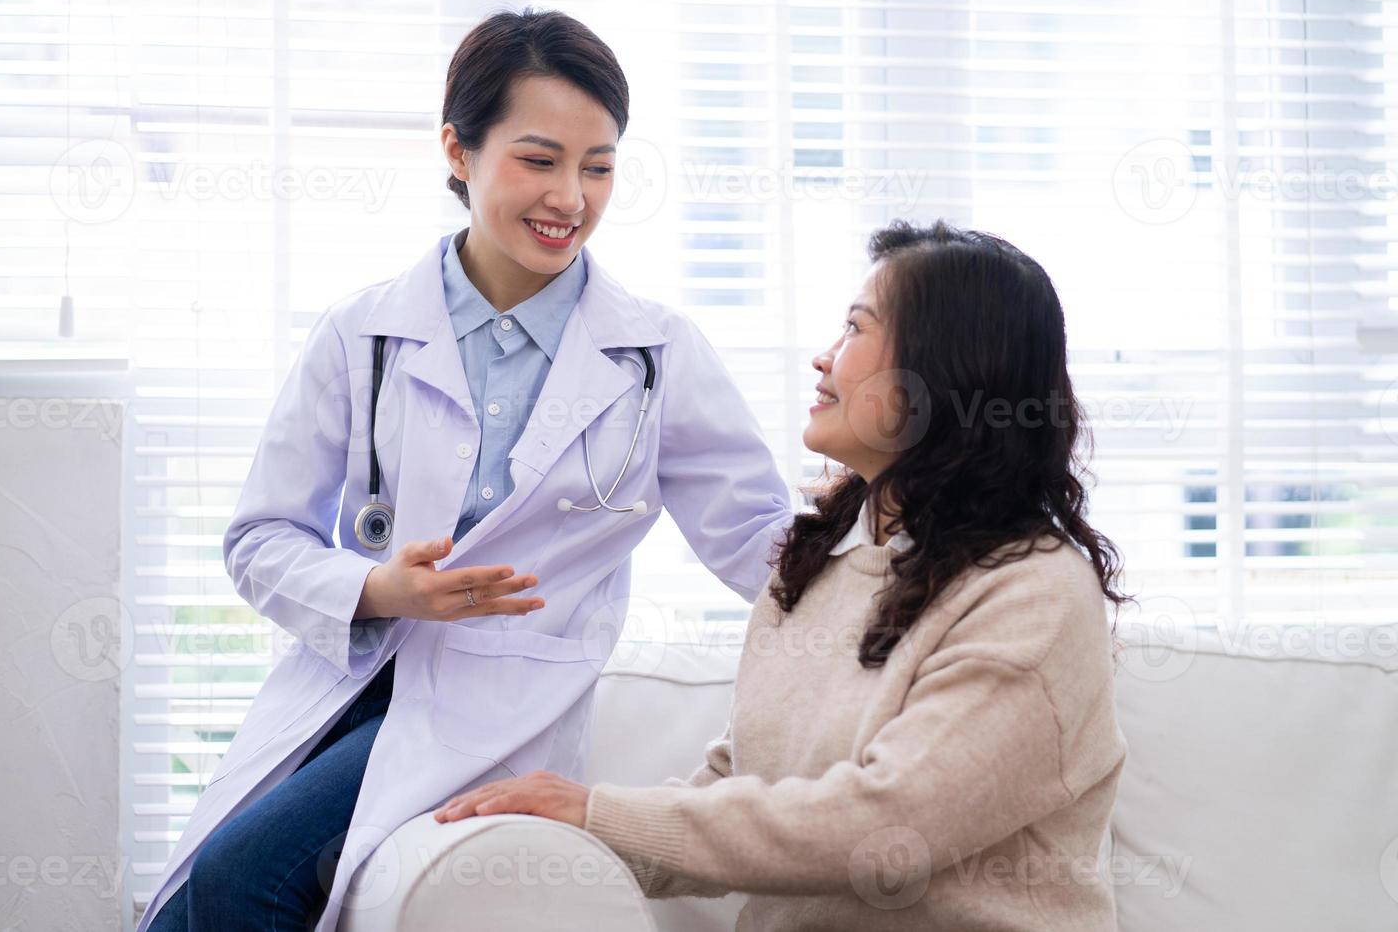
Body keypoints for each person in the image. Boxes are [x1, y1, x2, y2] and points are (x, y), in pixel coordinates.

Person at [140, 8, 791, 932]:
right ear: (458, 149)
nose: (571, 196)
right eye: (539, 159)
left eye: (598, 166)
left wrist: (923, 551)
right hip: (350, 682)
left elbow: (763, 544)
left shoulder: (656, 357)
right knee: (196, 898)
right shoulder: (363, 335)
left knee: (243, 878)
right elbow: (258, 539)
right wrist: (378, 585)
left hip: (499, 705)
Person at [437, 219, 1132, 931]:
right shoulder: (816, 562)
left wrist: (595, 811)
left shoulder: (1033, 592)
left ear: (943, 369)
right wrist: (546, 833)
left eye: (856, 330)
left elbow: (887, 828)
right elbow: (736, 792)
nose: (823, 360)